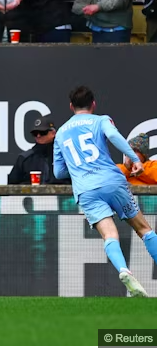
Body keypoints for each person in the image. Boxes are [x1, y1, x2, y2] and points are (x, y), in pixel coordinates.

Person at [53, 86, 156, 297]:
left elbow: (58, 171)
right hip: (112, 181)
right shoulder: (100, 120)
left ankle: (123, 269)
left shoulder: (61, 132)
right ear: (94, 104)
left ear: (71, 106)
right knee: (143, 228)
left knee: (109, 235)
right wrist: (135, 158)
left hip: (85, 189)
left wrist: (78, 168)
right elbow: (115, 137)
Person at [8, 115, 69, 185]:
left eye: (43, 132)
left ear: (53, 133)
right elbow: (11, 186)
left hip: (62, 195)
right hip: (31, 196)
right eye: (35, 133)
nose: (38, 136)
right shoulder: (24, 159)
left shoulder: (64, 156)